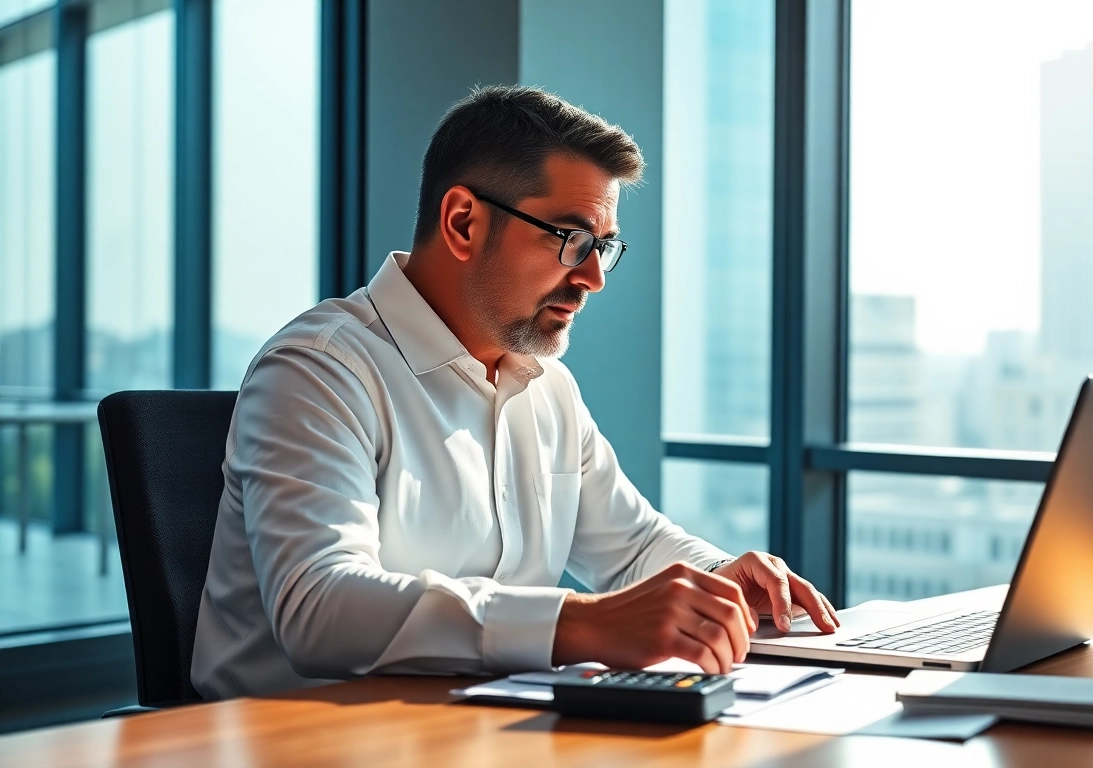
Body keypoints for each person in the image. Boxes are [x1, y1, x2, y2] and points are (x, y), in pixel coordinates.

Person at [191, 85, 839, 700]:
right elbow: (320, 609)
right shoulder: (320, 370)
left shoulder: (544, 385)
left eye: (603, 247)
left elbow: (633, 546)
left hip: (477, 733)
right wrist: (580, 624)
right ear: (465, 222)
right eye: (569, 239)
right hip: (291, 743)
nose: (592, 278)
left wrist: (720, 580)